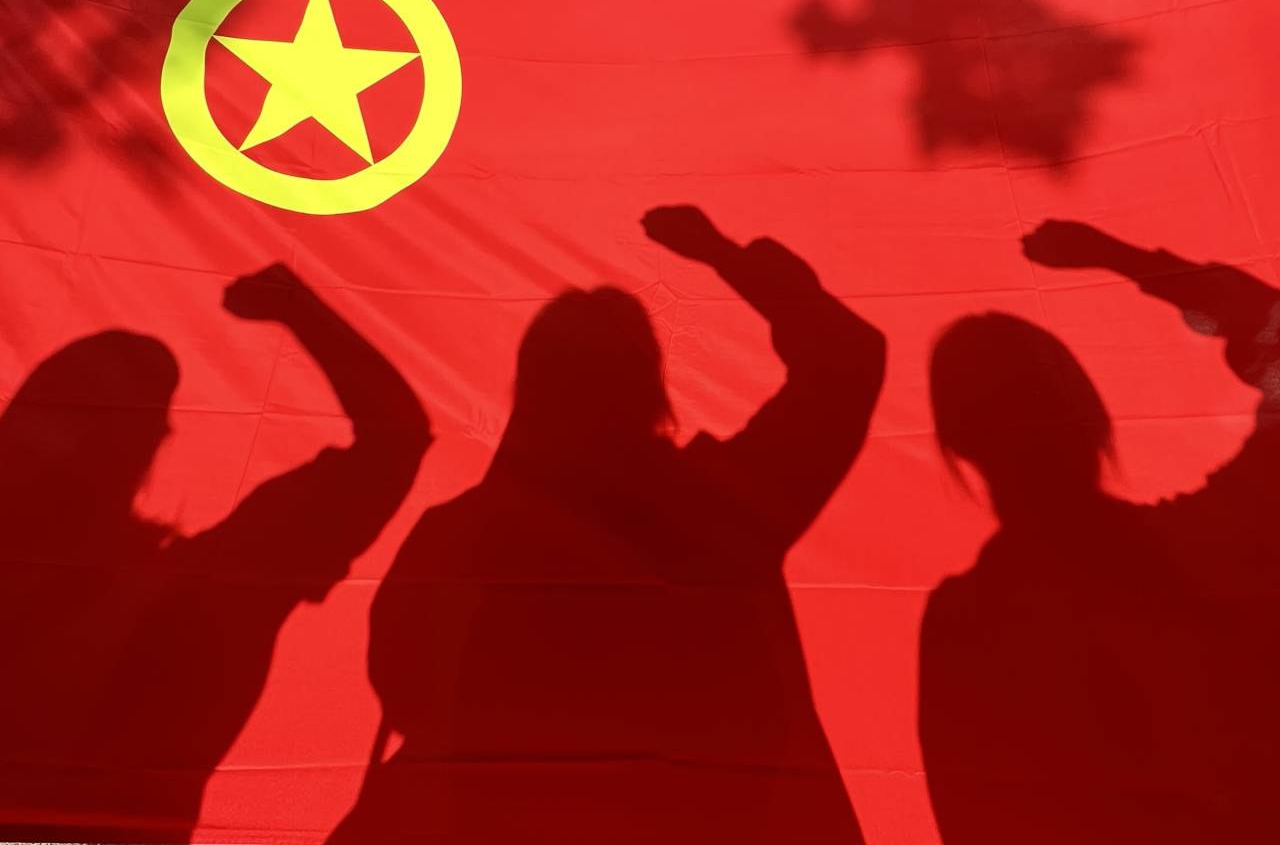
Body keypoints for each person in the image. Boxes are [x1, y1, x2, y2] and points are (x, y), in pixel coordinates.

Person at [330, 205, 886, 843]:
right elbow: (847, 358)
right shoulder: (722, 508)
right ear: (649, 386)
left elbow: (404, 689)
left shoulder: (461, 536)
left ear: (529, 392)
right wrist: (725, 257)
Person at [0, 264, 430, 842]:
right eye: (55, 412)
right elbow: (395, 441)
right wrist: (298, 309)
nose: (56, 442)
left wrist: (299, 309)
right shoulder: (213, 581)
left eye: (82, 415)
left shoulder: (207, 588)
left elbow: (394, 443)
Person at [920, 220, 1280, 844]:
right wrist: (1127, 260)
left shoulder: (965, 622)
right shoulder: (1203, 545)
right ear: (1093, 415)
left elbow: (968, 816)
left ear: (958, 440)